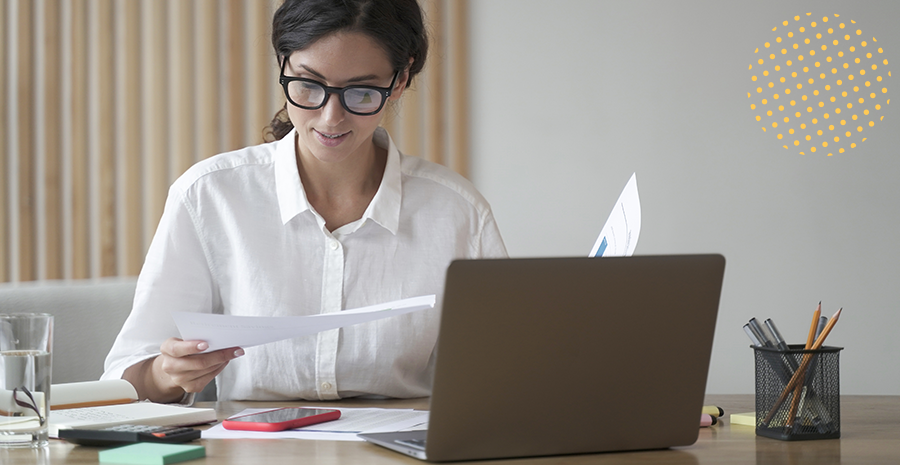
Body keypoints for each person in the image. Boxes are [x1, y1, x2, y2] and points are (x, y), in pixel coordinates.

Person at [101, 0, 506, 403]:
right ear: (283, 64)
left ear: (398, 81)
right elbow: (126, 378)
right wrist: (168, 373)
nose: (331, 118)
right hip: (253, 448)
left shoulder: (457, 212)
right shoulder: (210, 195)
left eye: (361, 92)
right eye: (309, 86)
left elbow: (504, 375)